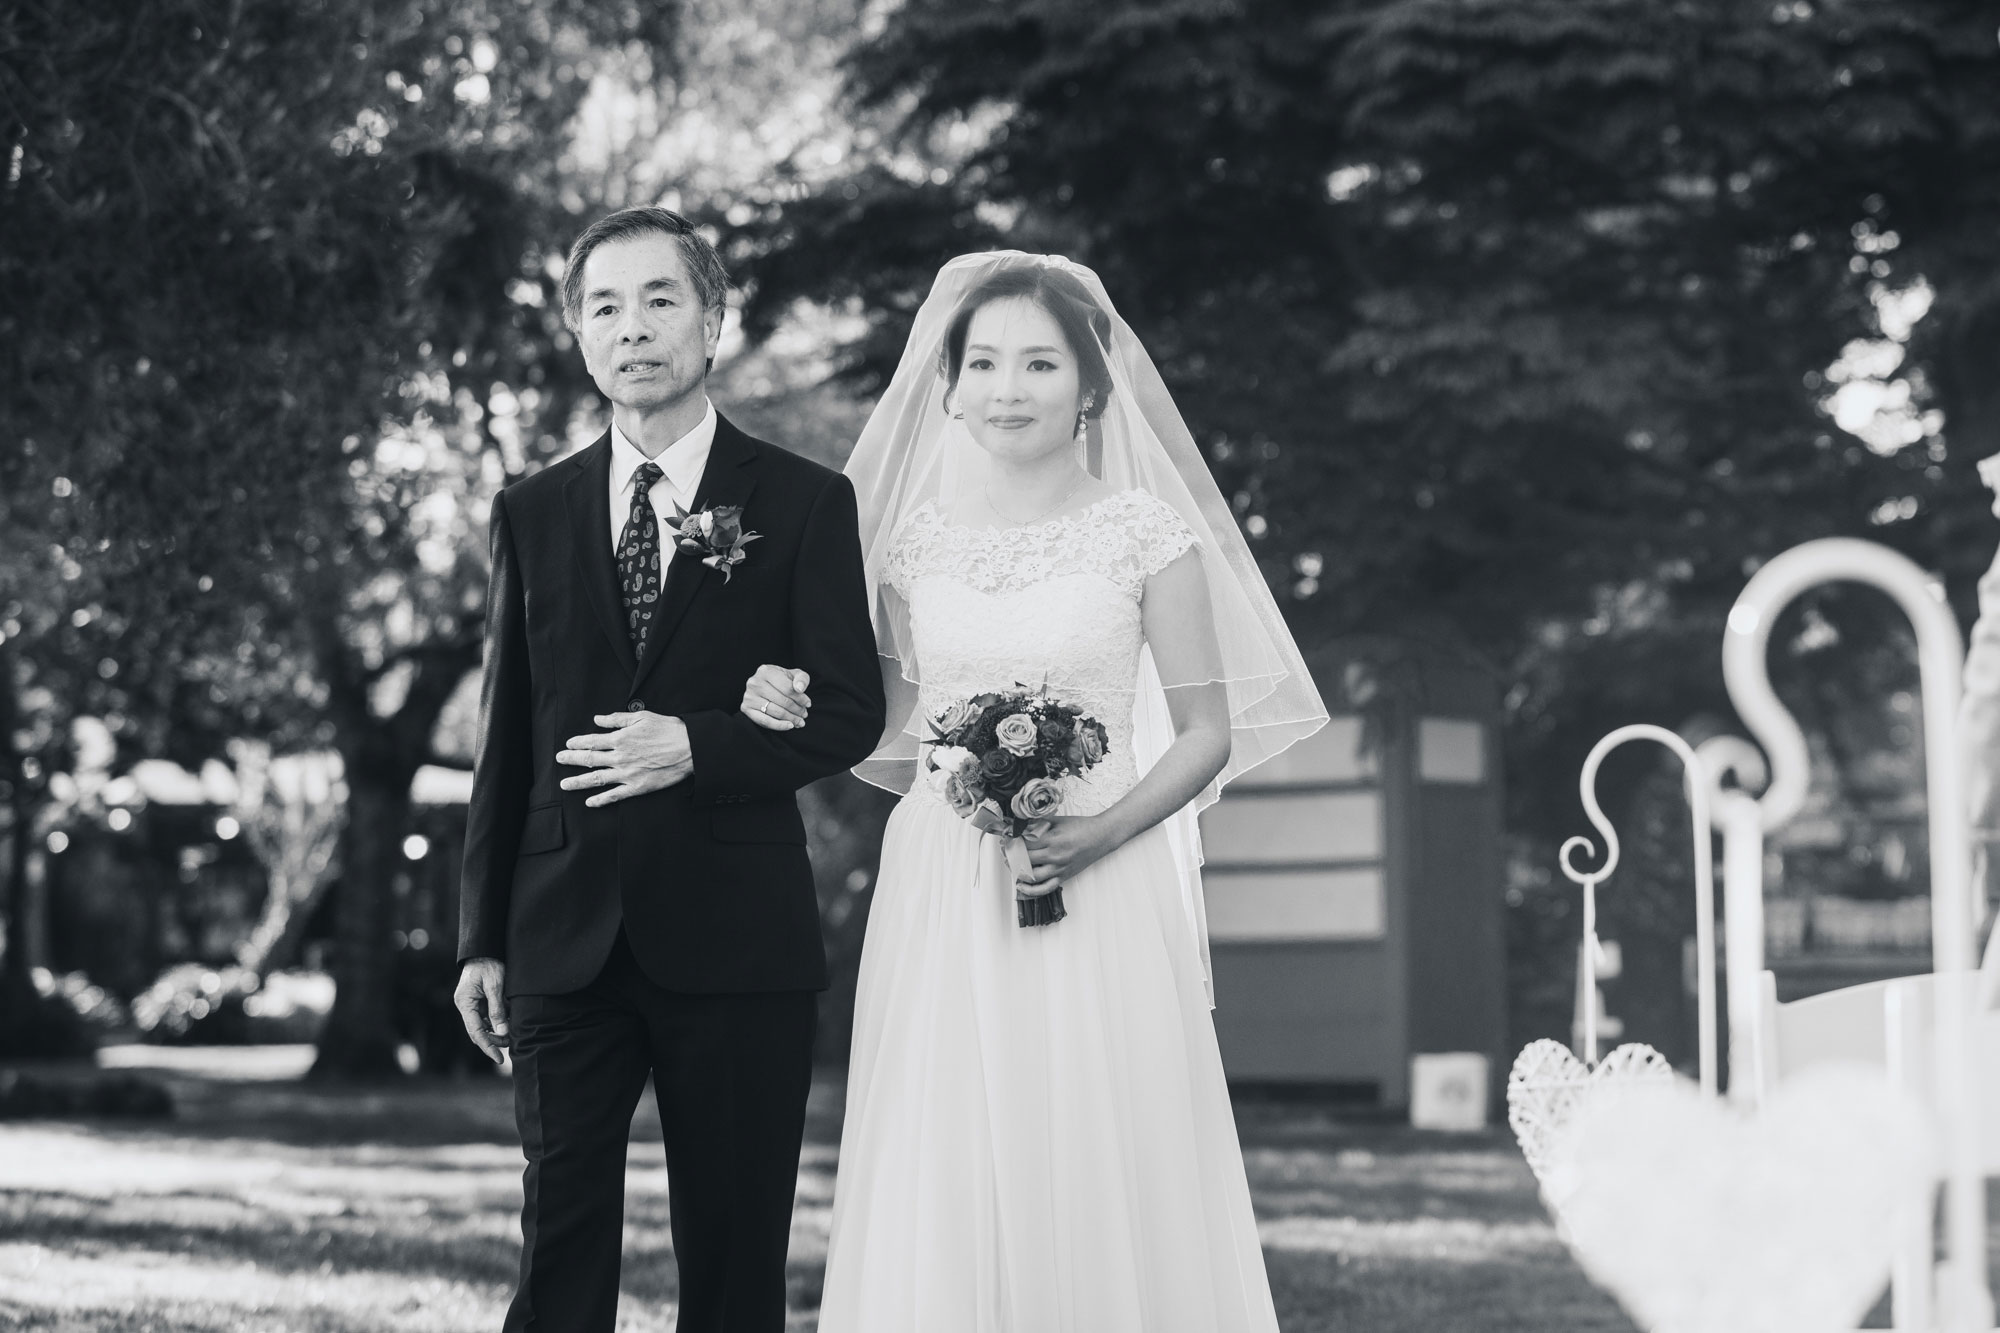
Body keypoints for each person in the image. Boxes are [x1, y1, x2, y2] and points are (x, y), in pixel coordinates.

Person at [739, 253, 1328, 1331]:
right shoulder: (908, 546)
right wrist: (785, 694)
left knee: (1094, 1128)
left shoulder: (1147, 536)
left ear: (1090, 385)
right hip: (941, 875)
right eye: (987, 363)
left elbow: (1205, 734)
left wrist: (1097, 831)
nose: (1010, 388)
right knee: (946, 1135)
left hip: (1101, 870)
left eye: (1040, 363)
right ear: (950, 386)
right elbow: (880, 715)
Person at [452, 206, 886, 1333]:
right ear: (580, 337)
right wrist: (481, 934)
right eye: (604, 306)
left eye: (658, 299)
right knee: (559, 1242)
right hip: (560, 927)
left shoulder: (801, 501)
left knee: (736, 1255)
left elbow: (846, 710)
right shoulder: (529, 510)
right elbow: (507, 734)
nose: (631, 327)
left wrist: (697, 742)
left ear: (711, 320)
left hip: (738, 931)